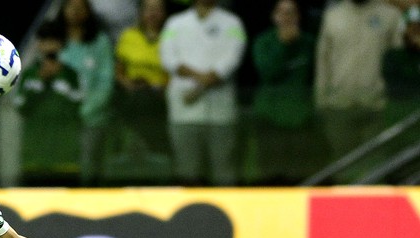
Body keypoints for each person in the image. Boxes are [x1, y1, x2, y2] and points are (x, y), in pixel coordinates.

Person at [159, 0, 247, 186]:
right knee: (187, 171)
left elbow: (233, 57)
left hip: (220, 112)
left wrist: (201, 86)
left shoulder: (233, 23)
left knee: (224, 171)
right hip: (183, 111)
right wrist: (200, 77)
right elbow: (168, 58)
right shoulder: (174, 23)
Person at [314, 0, 403, 168]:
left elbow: (399, 62)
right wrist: (320, 101)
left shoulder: (390, 15)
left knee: (375, 166)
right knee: (342, 167)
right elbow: (322, 61)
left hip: (377, 107)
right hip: (339, 107)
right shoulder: (332, 16)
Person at [251, 0, 320, 185]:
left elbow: (317, 76)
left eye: (291, 12)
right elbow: (268, 72)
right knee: (269, 173)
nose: (286, 17)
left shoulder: (309, 42)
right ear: (274, 17)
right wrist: (284, 45)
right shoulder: (263, 41)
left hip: (300, 119)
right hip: (269, 117)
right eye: (281, 12)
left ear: (298, 17)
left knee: (297, 175)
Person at [12, 18, 84, 185]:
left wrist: (60, 82)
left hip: (67, 159)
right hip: (34, 159)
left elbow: (79, 109)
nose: (49, 46)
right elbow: (21, 107)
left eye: (54, 41)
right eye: (45, 41)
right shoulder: (29, 75)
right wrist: (42, 82)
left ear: (62, 45)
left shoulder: (71, 75)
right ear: (39, 45)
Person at [58, 0, 116, 185]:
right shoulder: (53, 40)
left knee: (89, 171)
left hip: (91, 120)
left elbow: (106, 82)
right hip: (60, 123)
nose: (75, 11)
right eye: (70, 6)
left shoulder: (100, 42)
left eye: (80, 7)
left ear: (88, 12)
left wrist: (83, 112)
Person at [112, 0, 171, 173]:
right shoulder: (128, 36)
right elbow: (119, 71)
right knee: (139, 99)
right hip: (132, 97)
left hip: (160, 100)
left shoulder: (171, 37)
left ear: (165, 13)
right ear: (140, 13)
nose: (153, 14)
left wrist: (159, 88)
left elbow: (174, 72)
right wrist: (129, 85)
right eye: (149, 9)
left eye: (158, 9)